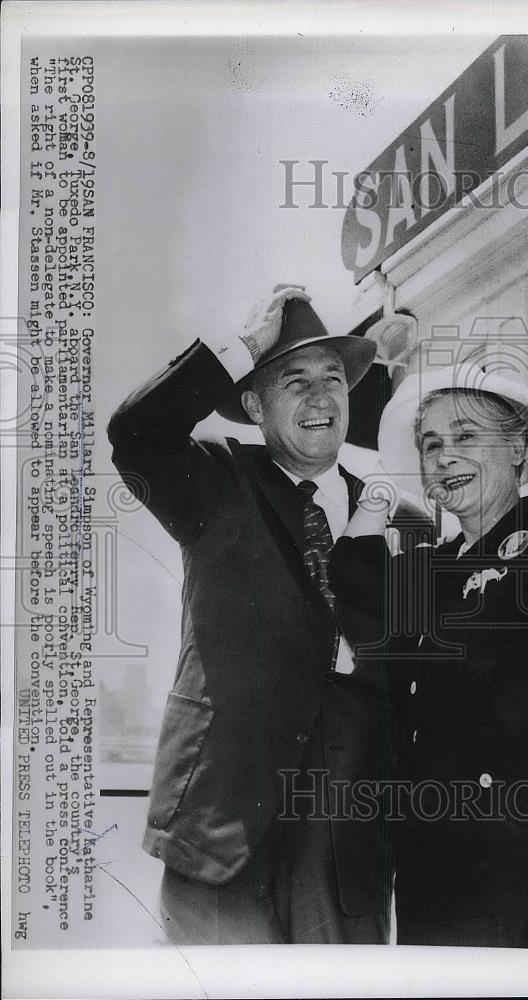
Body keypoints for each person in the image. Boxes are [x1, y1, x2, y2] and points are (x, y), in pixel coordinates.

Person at [107, 285, 392, 945]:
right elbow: (137, 434)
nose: (321, 398)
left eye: (334, 381)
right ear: (254, 405)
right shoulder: (213, 479)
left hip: (344, 836)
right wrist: (244, 346)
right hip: (223, 820)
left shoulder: (398, 518)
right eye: (294, 380)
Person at [330, 361, 528, 948]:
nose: (444, 457)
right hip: (426, 836)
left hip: (505, 845)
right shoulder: (438, 566)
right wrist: (386, 487)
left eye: (466, 437)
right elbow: (354, 571)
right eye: (431, 445)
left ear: (517, 447)